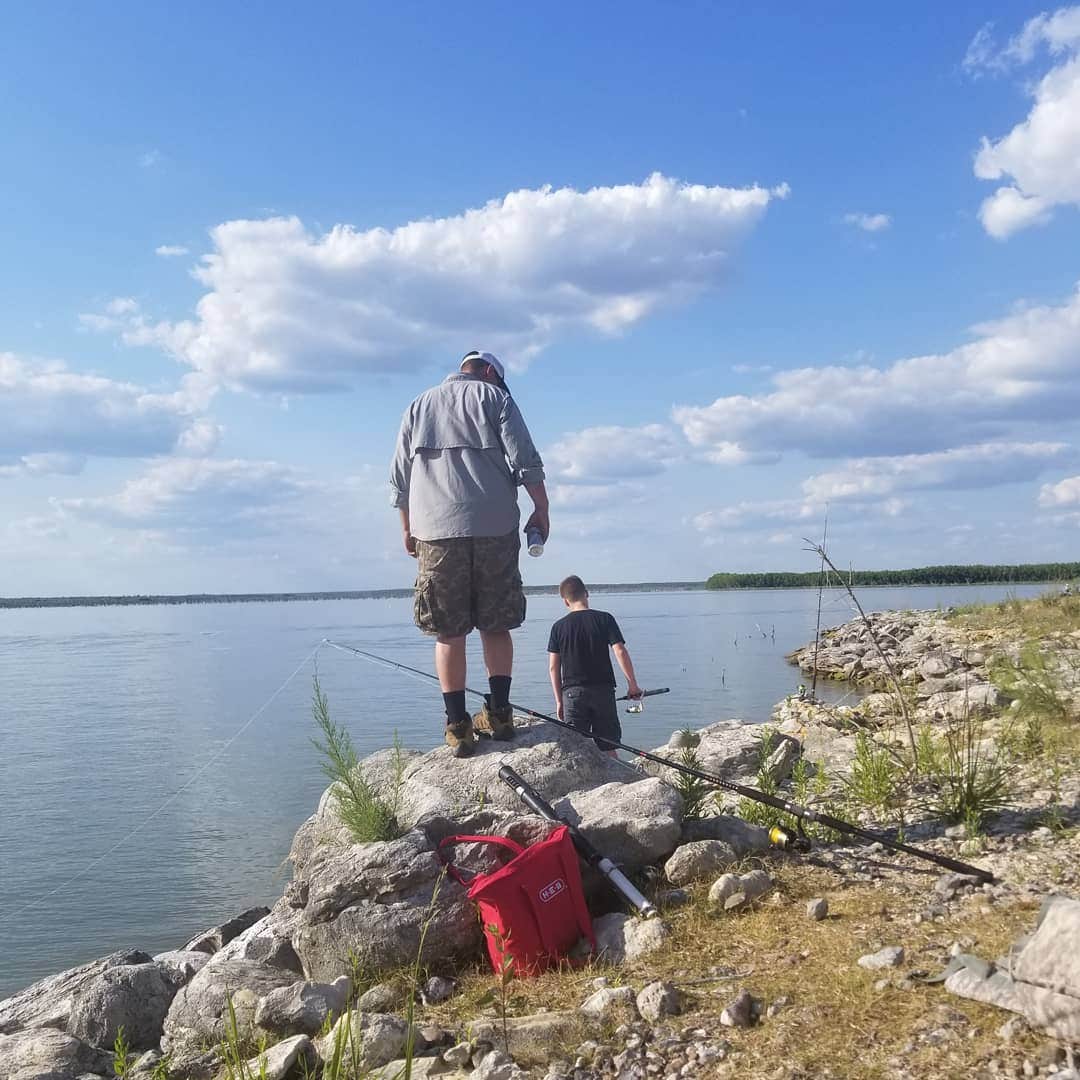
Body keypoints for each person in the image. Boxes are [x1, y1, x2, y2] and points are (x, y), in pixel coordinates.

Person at [390, 350, 550, 758]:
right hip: (495, 527)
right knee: (496, 625)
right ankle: (499, 715)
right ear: (491, 372)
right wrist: (541, 508)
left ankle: (458, 726)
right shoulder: (497, 399)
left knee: (449, 631)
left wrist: (407, 530)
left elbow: (399, 477)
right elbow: (525, 459)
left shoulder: (417, 405)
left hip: (436, 532)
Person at [547, 575, 641, 756]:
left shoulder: (558, 627)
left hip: (572, 694)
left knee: (576, 748)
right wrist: (632, 685)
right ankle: (616, 783)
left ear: (565, 601)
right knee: (608, 746)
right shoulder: (605, 619)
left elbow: (553, 667)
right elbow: (620, 651)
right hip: (603, 691)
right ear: (586, 593)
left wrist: (559, 700)